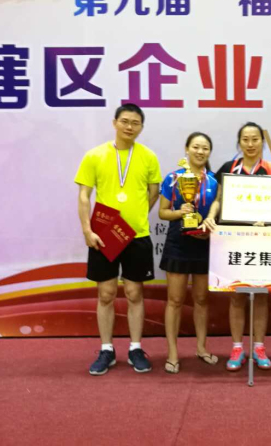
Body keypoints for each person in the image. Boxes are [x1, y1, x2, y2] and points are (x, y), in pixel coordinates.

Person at [75, 103, 162, 376]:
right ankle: (106, 349)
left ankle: (136, 348)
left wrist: (136, 217)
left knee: (135, 293)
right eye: (125, 121)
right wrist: (87, 230)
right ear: (114, 123)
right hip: (103, 235)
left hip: (137, 236)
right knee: (106, 293)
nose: (129, 127)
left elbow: (154, 192)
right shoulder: (95, 155)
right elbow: (84, 196)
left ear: (141, 127)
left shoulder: (148, 157)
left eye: (135, 123)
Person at [211, 122, 271, 371]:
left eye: (255, 139)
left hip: (264, 240)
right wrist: (211, 216)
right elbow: (218, 199)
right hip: (234, 239)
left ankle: (259, 347)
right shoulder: (228, 169)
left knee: (261, 296)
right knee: (237, 296)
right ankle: (237, 347)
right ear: (239, 142)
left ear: (262, 142)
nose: (250, 144)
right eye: (245, 139)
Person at [158, 132, 219, 374]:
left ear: (209, 152)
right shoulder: (173, 179)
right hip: (178, 243)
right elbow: (162, 212)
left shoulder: (213, 181)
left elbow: (216, 206)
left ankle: (201, 348)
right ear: (187, 148)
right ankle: (172, 353)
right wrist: (180, 212)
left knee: (202, 300)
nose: (200, 151)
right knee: (174, 300)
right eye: (196, 147)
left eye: (205, 148)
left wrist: (210, 219)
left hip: (203, 242)